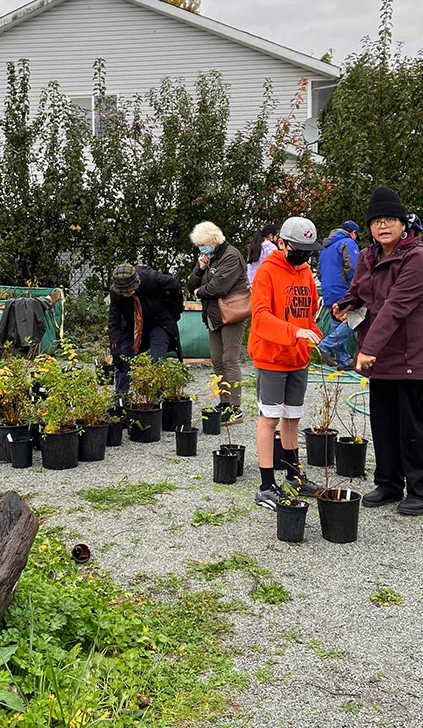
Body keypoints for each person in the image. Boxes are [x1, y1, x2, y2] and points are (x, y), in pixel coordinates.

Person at [333, 186, 423, 516]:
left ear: (402, 224)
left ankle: (422, 490)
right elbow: (360, 292)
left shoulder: (417, 258)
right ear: (369, 228)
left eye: (390, 220)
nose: (383, 226)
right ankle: (388, 483)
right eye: (376, 221)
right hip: (382, 352)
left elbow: (396, 307)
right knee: (383, 421)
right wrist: (346, 304)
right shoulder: (369, 256)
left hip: (413, 351)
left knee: (411, 424)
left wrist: (367, 348)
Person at [249, 217, 325, 510]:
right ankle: (266, 486)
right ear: (281, 243)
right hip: (271, 357)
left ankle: (294, 477)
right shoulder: (267, 272)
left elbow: (309, 312)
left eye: (309, 250)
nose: (303, 256)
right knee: (269, 419)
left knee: (292, 417)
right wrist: (294, 331)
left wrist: (314, 332)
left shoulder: (305, 272)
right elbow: (261, 318)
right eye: (299, 249)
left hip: (298, 357)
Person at [187, 221, 248, 425]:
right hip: (213, 316)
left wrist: (199, 292)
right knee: (217, 360)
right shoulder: (209, 257)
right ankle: (224, 403)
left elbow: (218, 287)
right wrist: (200, 267)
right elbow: (190, 284)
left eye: (201, 244)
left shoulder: (231, 256)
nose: (200, 249)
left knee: (230, 360)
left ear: (212, 240)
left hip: (231, 314)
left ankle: (235, 408)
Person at [108, 262, 184, 393]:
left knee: (158, 362)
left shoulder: (152, 278)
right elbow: (114, 320)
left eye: (128, 291)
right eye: (123, 292)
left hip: (158, 322)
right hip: (133, 326)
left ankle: (158, 402)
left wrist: (174, 314)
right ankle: (121, 400)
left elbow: (175, 286)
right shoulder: (116, 292)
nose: (126, 295)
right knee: (122, 358)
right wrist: (115, 348)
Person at [318, 220, 361, 369]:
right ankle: (325, 346)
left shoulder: (324, 247)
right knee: (355, 320)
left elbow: (319, 272)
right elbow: (354, 268)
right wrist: (357, 287)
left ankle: (342, 361)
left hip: (328, 291)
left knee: (337, 324)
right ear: (353, 233)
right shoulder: (348, 243)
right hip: (344, 290)